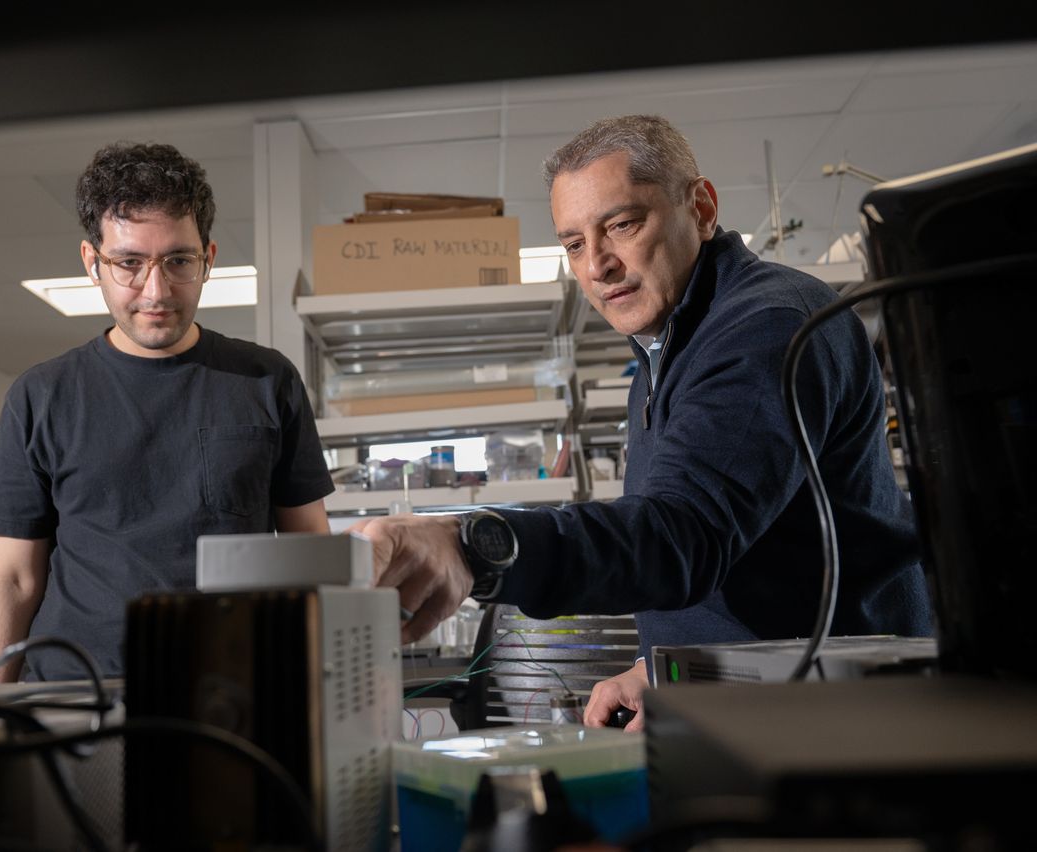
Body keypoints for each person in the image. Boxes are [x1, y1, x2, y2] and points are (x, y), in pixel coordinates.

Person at [354, 115, 931, 731]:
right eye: (574, 244)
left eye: (622, 225)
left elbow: (683, 535)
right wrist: (656, 666)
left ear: (701, 210)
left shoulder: (768, 326)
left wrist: (474, 545)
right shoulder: (667, 350)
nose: (597, 265)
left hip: (844, 715)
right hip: (761, 697)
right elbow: (733, 549)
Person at [0, 143, 334, 682]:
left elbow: (309, 549)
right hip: (75, 694)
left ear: (209, 259)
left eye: (179, 261)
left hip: (231, 689)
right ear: (92, 262)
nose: (156, 291)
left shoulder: (267, 381)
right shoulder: (41, 395)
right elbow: (13, 578)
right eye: (129, 264)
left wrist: (324, 686)